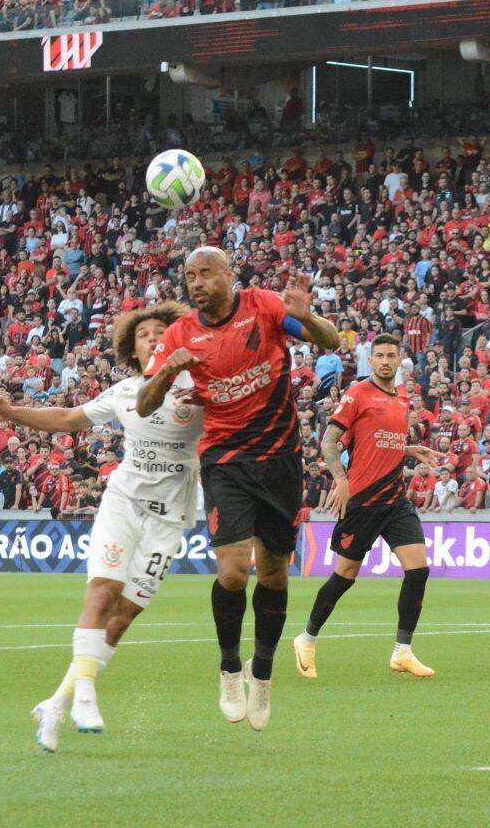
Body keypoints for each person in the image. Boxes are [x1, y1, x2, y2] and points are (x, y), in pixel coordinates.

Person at [0, 303, 201, 751]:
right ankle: (86, 695)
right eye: (146, 334)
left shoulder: (198, 388)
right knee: (101, 593)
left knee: (123, 617)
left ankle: (57, 702)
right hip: (124, 503)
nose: (155, 337)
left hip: (171, 515)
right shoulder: (123, 392)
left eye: (163, 331)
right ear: (132, 349)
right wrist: (12, 413)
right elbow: (67, 419)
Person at [138, 247, 340, 730]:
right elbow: (145, 405)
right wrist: (168, 370)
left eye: (206, 273)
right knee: (232, 572)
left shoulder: (266, 307)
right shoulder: (180, 334)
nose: (196, 283)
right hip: (225, 458)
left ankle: (263, 672)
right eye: (189, 276)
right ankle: (230, 667)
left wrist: (307, 317)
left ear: (231, 276)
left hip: (281, 460)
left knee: (273, 574)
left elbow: (331, 343)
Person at [293, 334, 448, 679]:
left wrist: (409, 449)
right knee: (345, 576)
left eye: (391, 355)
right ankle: (306, 638)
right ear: (371, 360)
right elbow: (329, 441)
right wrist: (341, 479)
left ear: (399, 360)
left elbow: (380, 440)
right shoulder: (357, 393)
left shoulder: (401, 397)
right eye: (378, 356)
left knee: (418, 569)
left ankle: (402, 651)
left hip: (394, 499)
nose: (384, 361)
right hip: (362, 500)